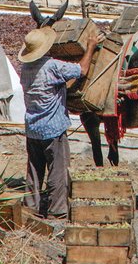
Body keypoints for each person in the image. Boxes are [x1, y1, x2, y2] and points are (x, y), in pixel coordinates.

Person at [18, 24, 99, 218]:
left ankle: (31, 208)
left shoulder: (25, 69)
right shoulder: (53, 66)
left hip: (32, 128)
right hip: (53, 129)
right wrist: (90, 46)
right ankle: (57, 210)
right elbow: (82, 70)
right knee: (58, 171)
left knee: (34, 171)